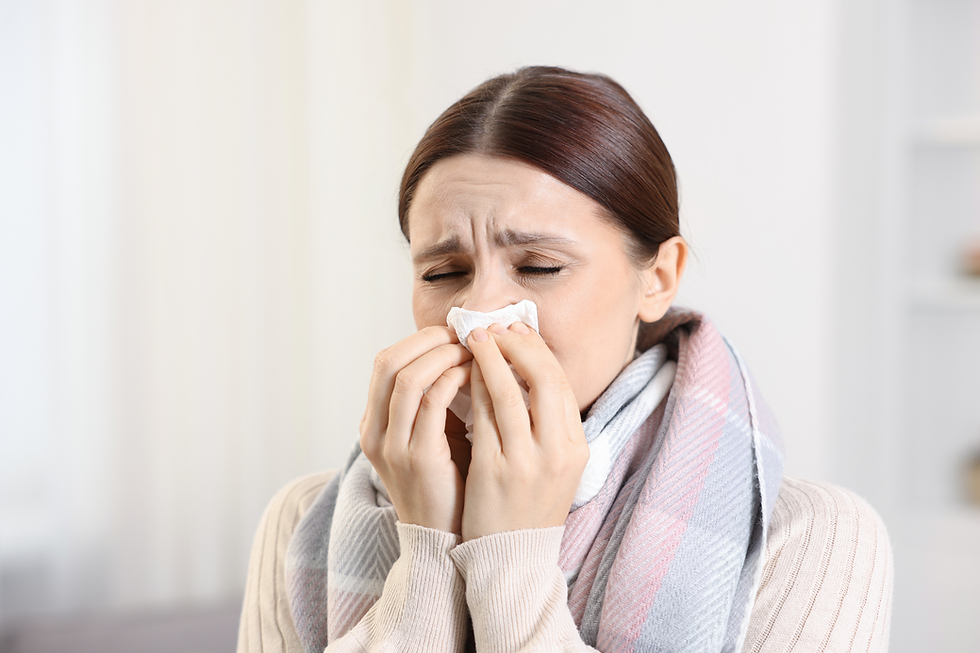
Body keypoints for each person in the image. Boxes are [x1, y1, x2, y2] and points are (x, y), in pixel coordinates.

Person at [237, 66, 893, 653]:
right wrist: (426, 550)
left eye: (540, 265)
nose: (481, 312)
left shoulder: (810, 537)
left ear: (659, 277)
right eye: (444, 272)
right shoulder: (303, 522)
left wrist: (512, 561)